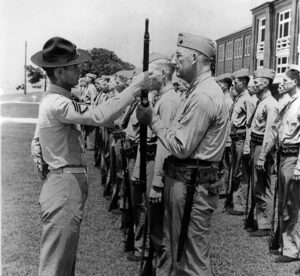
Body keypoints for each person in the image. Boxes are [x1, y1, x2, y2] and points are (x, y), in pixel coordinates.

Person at [30, 36, 150, 276]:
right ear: (61, 71)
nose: (79, 70)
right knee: (55, 267)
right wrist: (135, 86)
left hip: (62, 183)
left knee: (63, 264)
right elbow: (98, 115)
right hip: (64, 186)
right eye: (74, 66)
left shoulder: (53, 101)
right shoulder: (58, 103)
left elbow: (36, 147)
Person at [137, 33, 229, 276]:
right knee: (181, 254)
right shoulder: (197, 91)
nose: (175, 61)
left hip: (191, 186)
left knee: (192, 262)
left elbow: (180, 146)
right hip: (187, 181)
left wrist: (152, 121)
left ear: (195, 57)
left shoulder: (202, 96)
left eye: (179, 56)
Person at [263, 65, 300, 263]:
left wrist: (299, 167)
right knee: (284, 204)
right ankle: (284, 243)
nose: (281, 83)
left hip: (294, 157)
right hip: (283, 156)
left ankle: (292, 250)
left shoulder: (299, 103)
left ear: (294, 82)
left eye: (285, 81)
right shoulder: (287, 102)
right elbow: (278, 131)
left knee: (291, 206)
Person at [247, 68, 278, 237]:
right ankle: (258, 220)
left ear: (266, 83)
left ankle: (265, 224)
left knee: (262, 186)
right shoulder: (261, 101)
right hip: (255, 145)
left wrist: (262, 156)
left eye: (257, 82)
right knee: (256, 185)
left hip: (262, 147)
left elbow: (270, 133)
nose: (254, 84)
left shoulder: (270, 104)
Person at [224, 68, 256, 215]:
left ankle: (240, 205)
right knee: (235, 171)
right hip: (235, 138)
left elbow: (250, 124)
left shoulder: (248, 99)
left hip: (242, 139)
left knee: (242, 173)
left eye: (236, 83)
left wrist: (247, 146)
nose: (233, 85)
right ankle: (233, 201)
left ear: (242, 83)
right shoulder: (239, 98)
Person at [215, 73, 234, 195]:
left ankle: (224, 188)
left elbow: (227, 122)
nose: (217, 85)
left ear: (226, 86)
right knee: (221, 164)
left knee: (225, 164)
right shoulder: (223, 98)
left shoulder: (227, 101)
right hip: (221, 137)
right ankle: (221, 187)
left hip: (226, 138)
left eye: (219, 83)